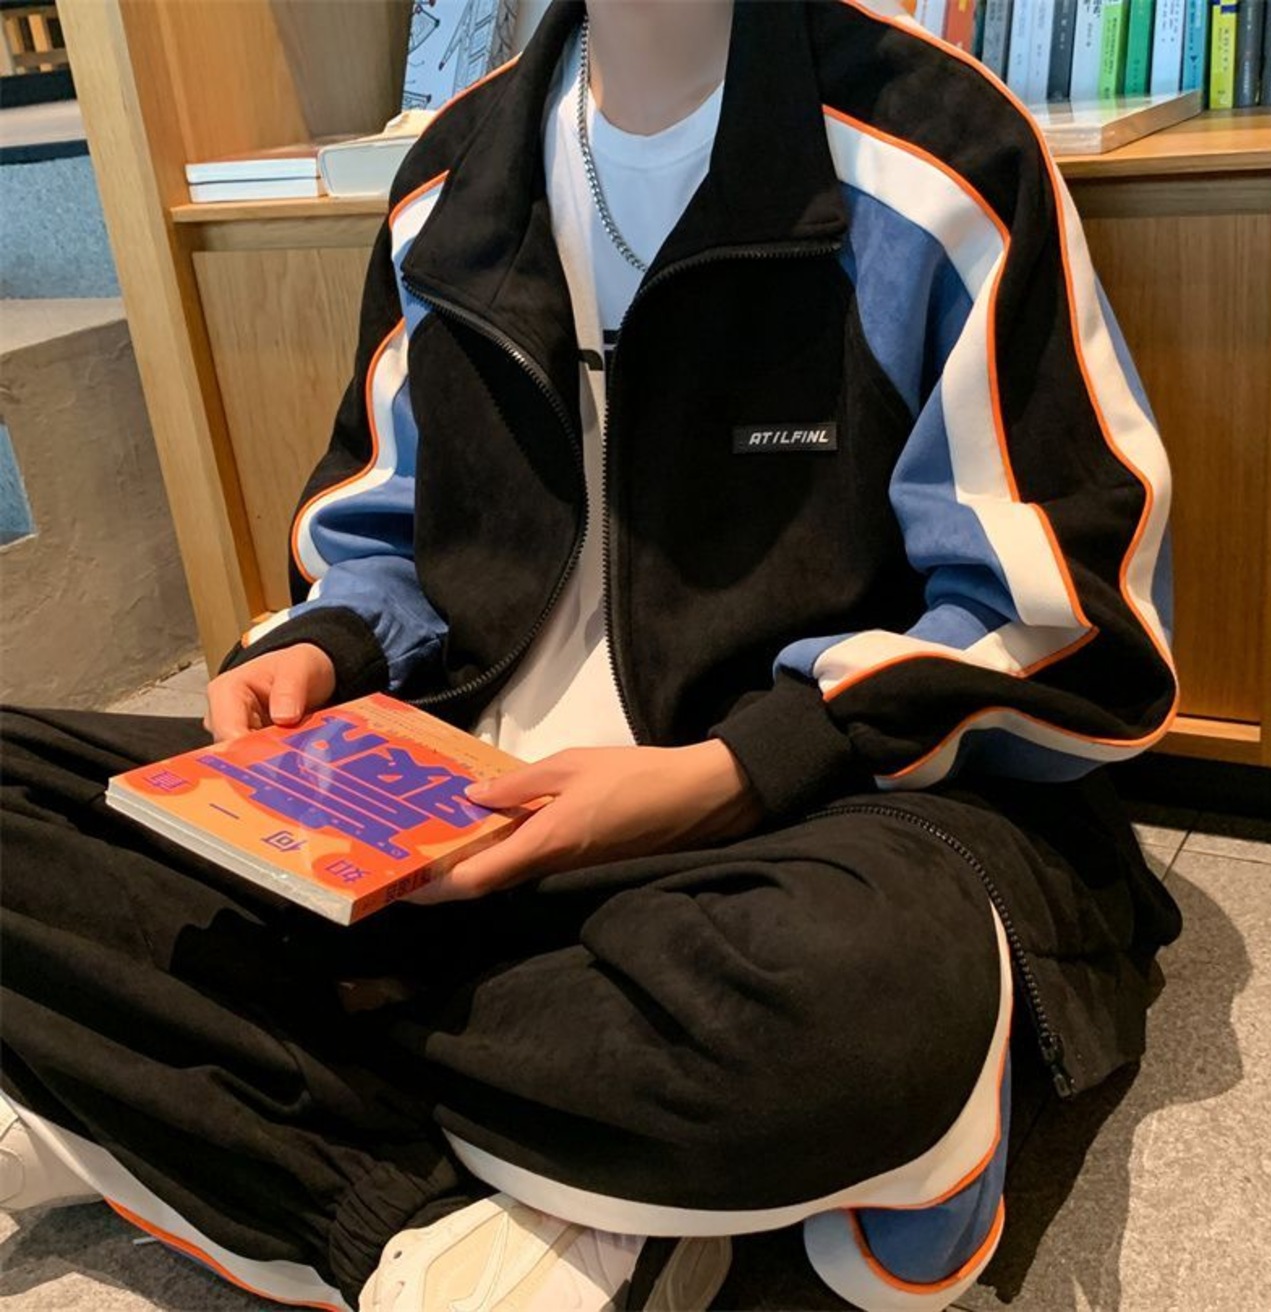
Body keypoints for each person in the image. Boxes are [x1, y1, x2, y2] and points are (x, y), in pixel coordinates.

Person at [0, 2, 1183, 1309]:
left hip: (805, 816)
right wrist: (328, 646)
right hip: (459, 789)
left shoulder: (941, 148)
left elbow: (1057, 610)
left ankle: (177, 1090)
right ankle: (514, 1191)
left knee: (851, 998)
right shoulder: (453, 171)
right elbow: (383, 521)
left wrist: (732, 773)